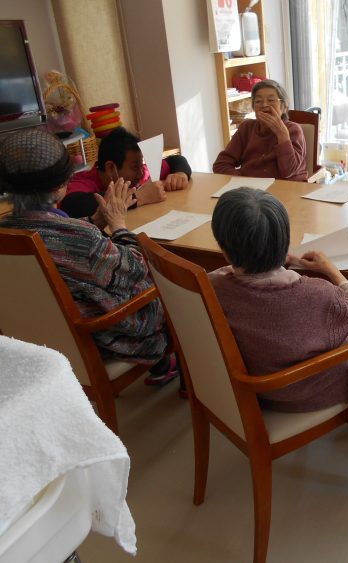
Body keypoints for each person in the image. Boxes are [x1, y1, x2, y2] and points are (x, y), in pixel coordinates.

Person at [208, 187, 348, 450]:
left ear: (224, 248)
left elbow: (227, 274)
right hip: (307, 393)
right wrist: (332, 271)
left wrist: (268, 261)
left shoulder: (213, 287)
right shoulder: (317, 295)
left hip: (252, 389)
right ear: (284, 241)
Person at [0, 128, 179, 385]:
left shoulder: (8, 231)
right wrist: (118, 224)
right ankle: (177, 372)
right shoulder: (80, 238)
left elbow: (60, 239)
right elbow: (136, 268)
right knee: (168, 286)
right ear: (60, 184)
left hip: (34, 342)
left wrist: (95, 220)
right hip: (99, 337)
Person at [59, 126, 192, 226]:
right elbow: (74, 205)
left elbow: (176, 160)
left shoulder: (140, 173)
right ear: (111, 167)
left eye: (141, 164)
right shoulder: (83, 182)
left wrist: (179, 174)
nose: (141, 173)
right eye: (135, 167)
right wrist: (138, 197)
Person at [212, 79, 307, 181]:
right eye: (258, 101)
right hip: (250, 187)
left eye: (271, 100)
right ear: (253, 108)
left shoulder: (293, 130)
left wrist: (282, 135)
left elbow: (289, 172)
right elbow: (221, 164)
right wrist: (242, 180)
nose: (264, 105)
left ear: (284, 107)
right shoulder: (246, 127)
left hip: (285, 186)